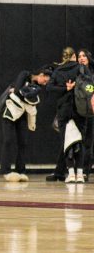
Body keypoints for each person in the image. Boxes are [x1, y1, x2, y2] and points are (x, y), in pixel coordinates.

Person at [0, 68, 51, 182]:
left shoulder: (37, 87)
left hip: (22, 114)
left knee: (23, 142)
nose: (45, 83)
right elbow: (18, 91)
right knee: (8, 140)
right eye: (45, 80)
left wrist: (22, 93)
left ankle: (20, 170)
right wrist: (23, 94)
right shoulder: (25, 74)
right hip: (10, 111)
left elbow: (32, 100)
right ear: (41, 75)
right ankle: (6, 170)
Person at [46, 47, 87, 183]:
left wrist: (65, 88)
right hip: (79, 109)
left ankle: (70, 174)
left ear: (63, 57)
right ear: (74, 56)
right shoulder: (80, 68)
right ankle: (80, 173)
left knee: (67, 142)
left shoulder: (58, 71)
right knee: (79, 142)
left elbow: (49, 88)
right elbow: (89, 85)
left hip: (64, 110)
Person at [77, 49, 94, 180]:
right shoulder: (75, 72)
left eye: (84, 56)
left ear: (88, 58)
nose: (81, 58)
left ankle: (85, 171)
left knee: (88, 142)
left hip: (91, 112)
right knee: (78, 142)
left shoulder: (92, 73)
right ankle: (77, 170)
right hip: (79, 111)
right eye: (79, 56)